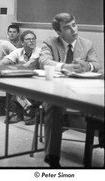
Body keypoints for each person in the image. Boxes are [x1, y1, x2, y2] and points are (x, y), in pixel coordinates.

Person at [38, 13, 101, 168]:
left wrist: (87, 66)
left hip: (81, 90)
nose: (73, 30)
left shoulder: (86, 43)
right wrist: (66, 66)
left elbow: (96, 64)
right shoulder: (50, 42)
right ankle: (52, 157)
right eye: (67, 27)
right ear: (59, 33)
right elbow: (43, 61)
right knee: (54, 104)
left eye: (74, 24)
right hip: (55, 89)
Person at [0, 30, 41, 124]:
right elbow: (2, 63)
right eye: (28, 39)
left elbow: (28, 65)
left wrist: (12, 69)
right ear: (22, 42)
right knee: (6, 86)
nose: (31, 41)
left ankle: (32, 114)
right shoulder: (19, 51)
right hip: (24, 79)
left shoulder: (38, 51)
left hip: (38, 80)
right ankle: (23, 113)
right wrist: (4, 65)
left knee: (16, 89)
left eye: (33, 39)